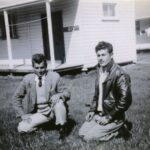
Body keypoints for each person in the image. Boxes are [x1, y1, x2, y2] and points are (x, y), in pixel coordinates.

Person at [79, 41, 132, 141]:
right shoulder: (100, 71)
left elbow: (126, 100)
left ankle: (119, 131)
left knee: (88, 138)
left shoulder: (120, 74)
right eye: (98, 55)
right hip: (99, 114)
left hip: (114, 117)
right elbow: (97, 95)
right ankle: (107, 128)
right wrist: (91, 110)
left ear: (111, 55)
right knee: (81, 133)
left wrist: (109, 117)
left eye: (103, 55)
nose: (100, 58)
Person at [13, 53, 70, 141]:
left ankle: (62, 129)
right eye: (37, 68)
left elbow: (67, 92)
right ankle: (45, 125)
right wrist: (22, 114)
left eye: (42, 67)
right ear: (33, 67)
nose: (40, 71)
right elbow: (16, 98)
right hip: (40, 113)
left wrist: (59, 95)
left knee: (59, 103)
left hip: (53, 110)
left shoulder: (55, 76)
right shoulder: (27, 79)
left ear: (46, 66)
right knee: (21, 128)